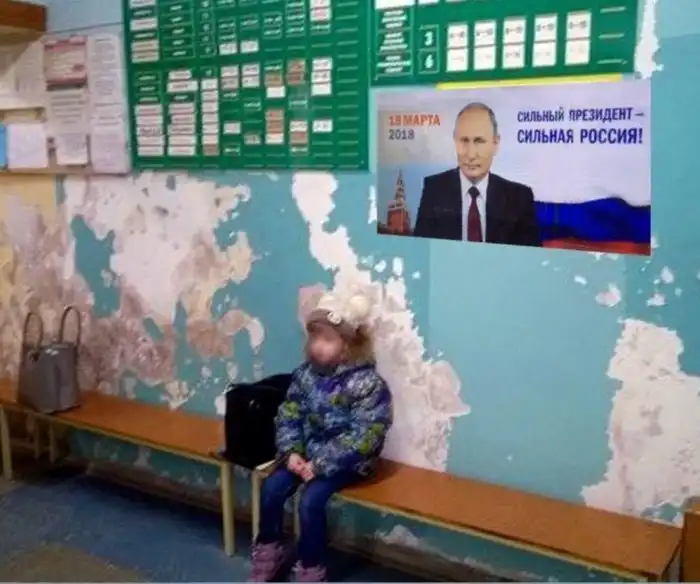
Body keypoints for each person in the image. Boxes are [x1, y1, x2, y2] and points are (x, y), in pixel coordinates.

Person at [249, 292, 393, 583]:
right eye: (315, 337)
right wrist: (291, 452)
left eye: (328, 339)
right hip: (307, 455)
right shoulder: (305, 375)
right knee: (273, 487)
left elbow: (365, 437)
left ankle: (311, 568)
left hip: (350, 462)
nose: (318, 345)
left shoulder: (369, 384)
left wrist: (320, 464)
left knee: (310, 501)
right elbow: (289, 413)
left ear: (348, 345)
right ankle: (269, 551)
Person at [413, 102, 542, 247]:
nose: (471, 154)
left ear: (495, 143)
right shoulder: (434, 189)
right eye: (464, 141)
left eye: (479, 141)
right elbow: (421, 252)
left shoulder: (520, 198)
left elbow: (529, 258)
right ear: (455, 141)